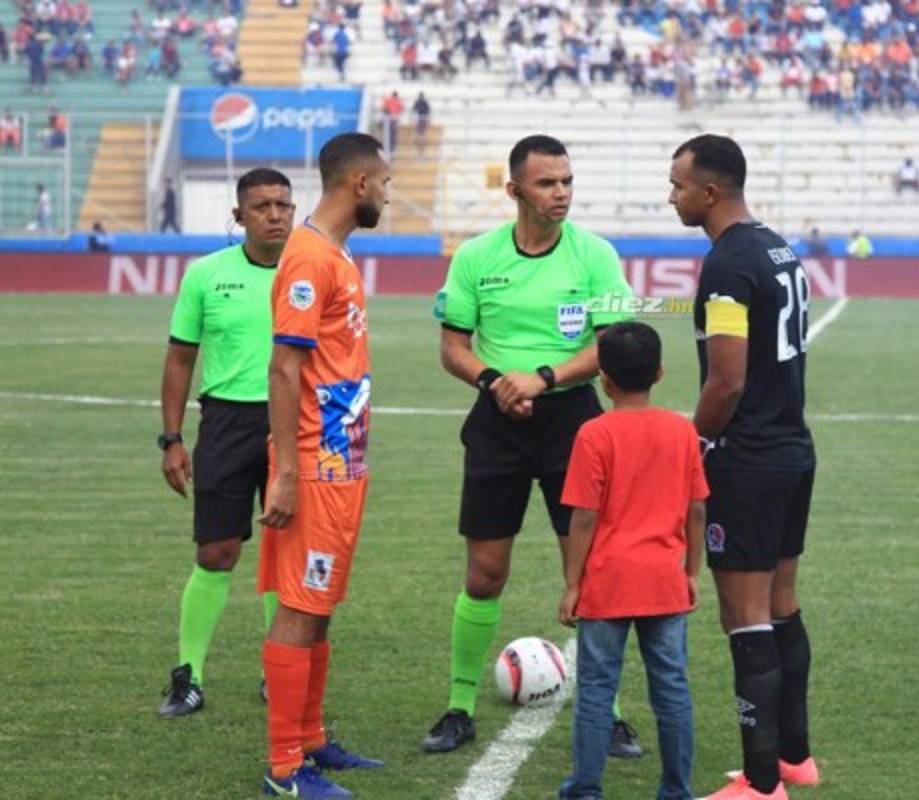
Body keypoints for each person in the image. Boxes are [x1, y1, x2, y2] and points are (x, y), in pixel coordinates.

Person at [424, 134, 641, 758]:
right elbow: (453, 347)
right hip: (497, 423)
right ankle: (459, 707)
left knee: (595, 569)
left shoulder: (594, 255)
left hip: (573, 420)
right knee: (485, 573)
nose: (562, 193)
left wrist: (543, 378)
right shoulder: (476, 257)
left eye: (568, 181)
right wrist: (495, 382)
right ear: (515, 189)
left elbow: (615, 341)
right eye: (548, 183)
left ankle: (613, 712)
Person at [669, 134, 820, 800]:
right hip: (792, 449)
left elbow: (725, 382)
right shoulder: (777, 247)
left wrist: (688, 444)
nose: (671, 195)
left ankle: (761, 787)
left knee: (746, 615)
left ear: (710, 191)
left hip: (749, 458)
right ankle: (795, 759)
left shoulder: (728, 263)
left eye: (677, 185)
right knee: (782, 605)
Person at [257, 133, 389, 797]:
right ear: (360, 183)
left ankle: (310, 739)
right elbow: (285, 366)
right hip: (315, 462)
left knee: (323, 601)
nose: (388, 196)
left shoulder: (333, 253)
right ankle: (284, 767)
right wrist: (285, 469)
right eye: (385, 184)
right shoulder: (309, 257)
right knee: (302, 605)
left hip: (344, 459)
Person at [157, 168, 296, 718]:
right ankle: (188, 675)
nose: (274, 214)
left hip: (297, 423)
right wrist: (172, 438)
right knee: (216, 552)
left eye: (283, 204)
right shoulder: (206, 275)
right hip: (226, 423)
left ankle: (277, 669)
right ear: (238, 217)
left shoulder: (315, 270)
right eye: (261, 206)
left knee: (286, 551)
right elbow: (180, 358)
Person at [557, 321, 708, 800]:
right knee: (672, 689)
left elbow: (583, 517)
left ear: (603, 378)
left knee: (598, 689)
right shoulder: (681, 431)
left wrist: (572, 583)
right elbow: (697, 508)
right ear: (660, 371)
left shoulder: (593, 434)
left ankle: (585, 788)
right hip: (664, 579)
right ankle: (676, 789)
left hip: (609, 580)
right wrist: (691, 573)